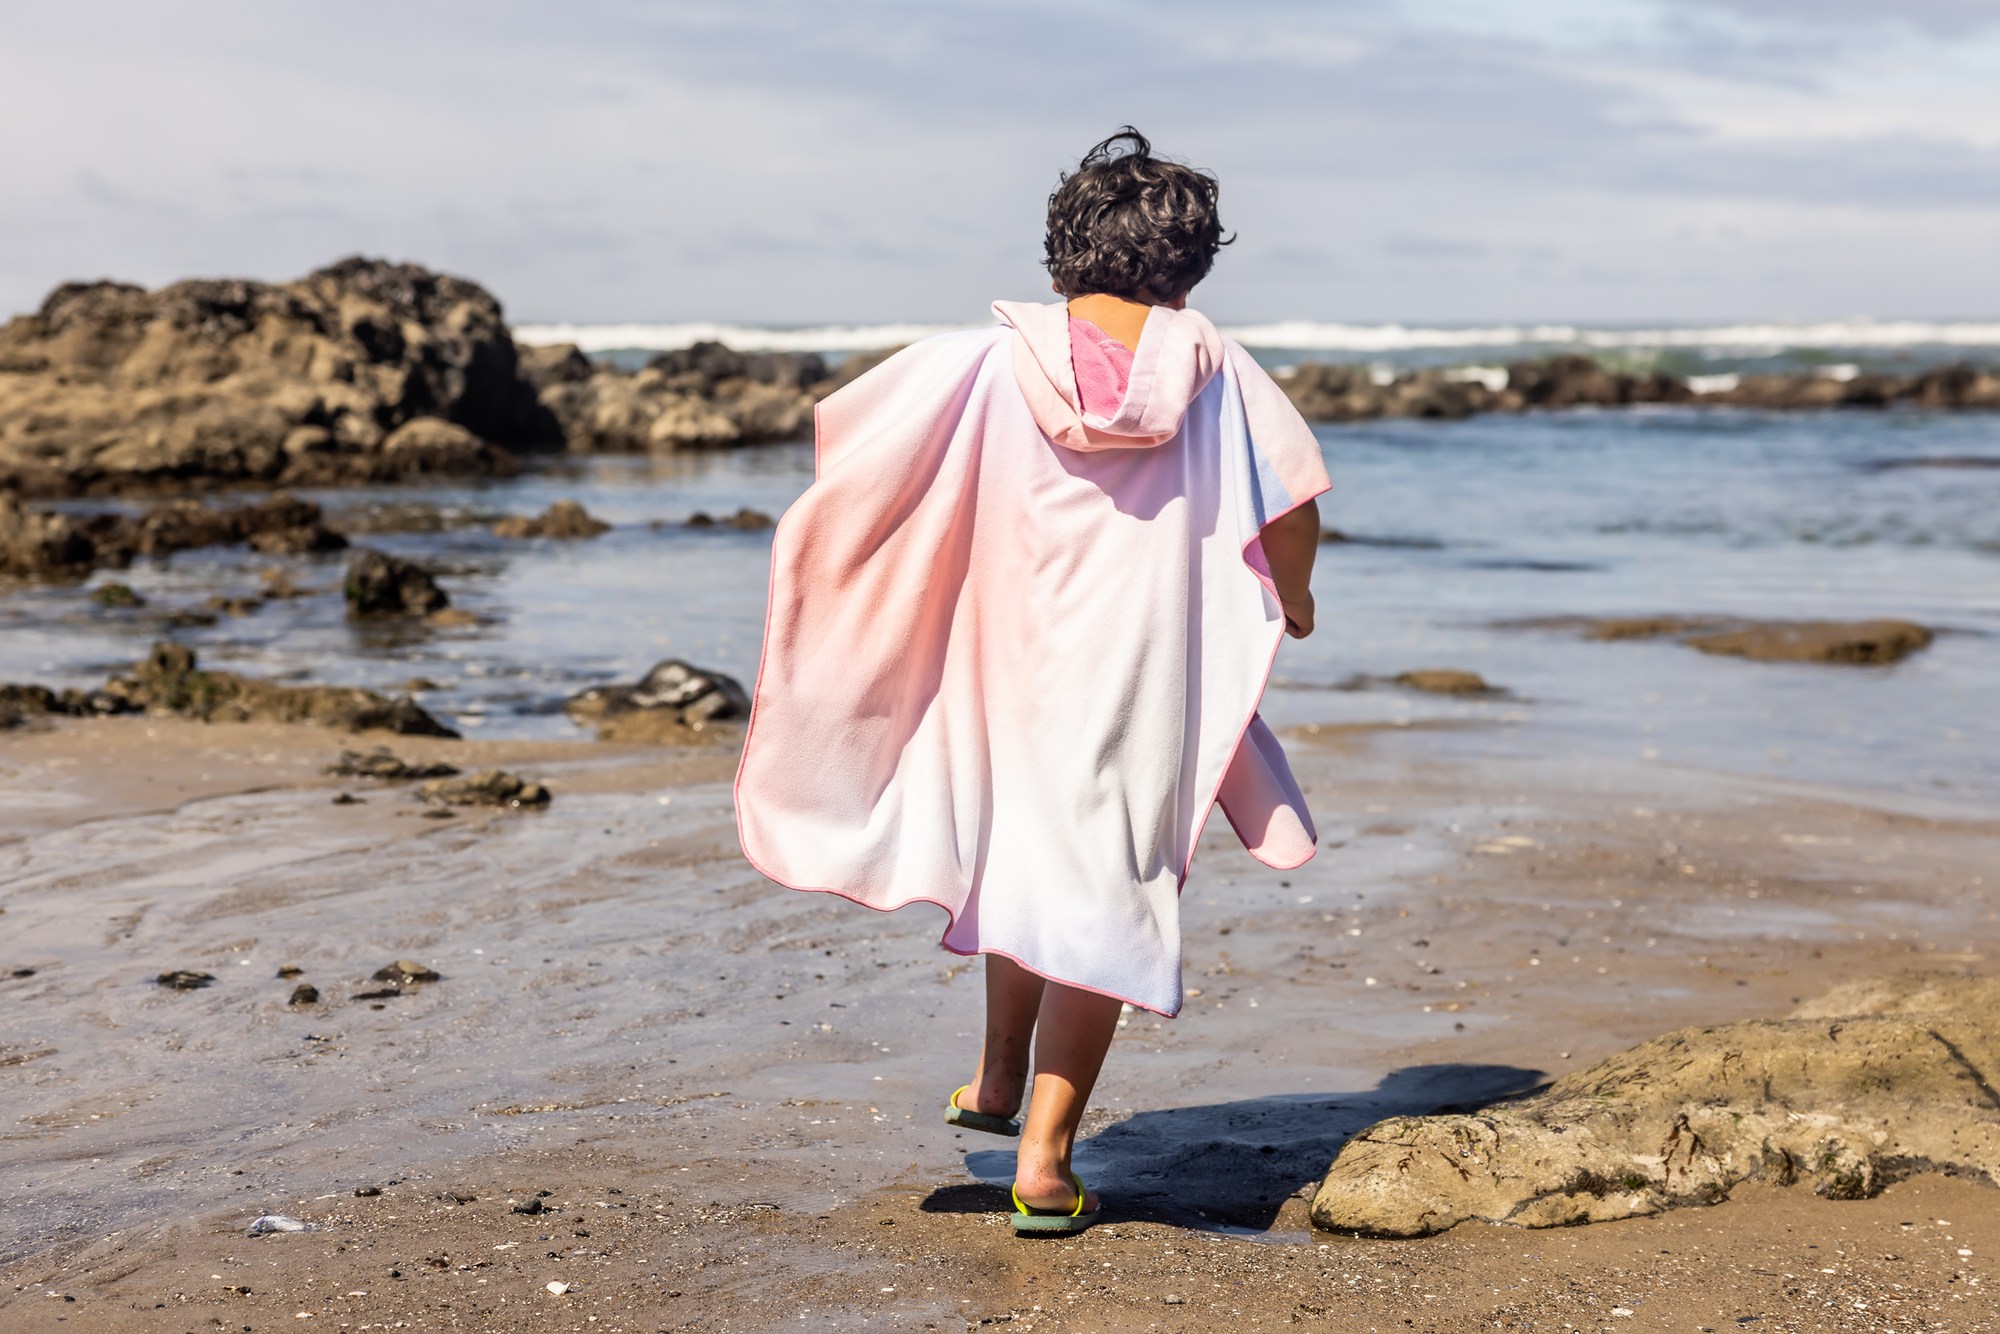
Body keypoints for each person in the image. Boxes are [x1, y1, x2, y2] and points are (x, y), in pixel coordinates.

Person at [735, 128, 1328, 1233]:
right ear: (1190, 265)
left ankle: (1002, 1073)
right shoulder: (1217, 366)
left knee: (1023, 852)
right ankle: (1043, 1154)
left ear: (1062, 251)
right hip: (1138, 674)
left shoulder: (984, 358)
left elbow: (858, 446)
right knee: (1101, 882)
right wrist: (1291, 600)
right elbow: (1290, 501)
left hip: (1007, 663)